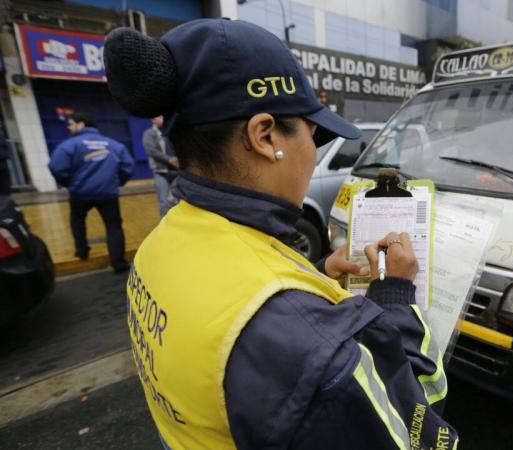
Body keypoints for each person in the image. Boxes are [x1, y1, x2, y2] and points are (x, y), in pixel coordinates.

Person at [104, 19, 458, 450]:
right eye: (313, 134)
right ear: (265, 135)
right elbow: (414, 425)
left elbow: (233, 307)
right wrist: (396, 293)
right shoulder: (305, 342)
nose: (312, 152)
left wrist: (316, 276)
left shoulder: (160, 243)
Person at [47, 112, 134, 273]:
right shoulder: (114, 145)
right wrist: (117, 183)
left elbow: (56, 167)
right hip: (108, 194)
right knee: (114, 226)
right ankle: (119, 264)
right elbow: (128, 167)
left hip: (80, 194)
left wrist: (69, 183)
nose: (69, 127)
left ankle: (82, 251)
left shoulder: (69, 146)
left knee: (77, 220)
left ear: (81, 124)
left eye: (71, 124)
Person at [142, 115, 179, 216]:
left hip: (177, 172)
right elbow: (151, 150)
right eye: (159, 117)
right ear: (153, 120)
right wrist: (169, 159)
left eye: (163, 116)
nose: (162, 119)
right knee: (164, 203)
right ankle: (165, 224)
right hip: (161, 172)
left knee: (178, 202)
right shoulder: (149, 133)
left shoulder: (172, 132)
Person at [0, 121, 12, 196]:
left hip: (3, 164)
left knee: (6, 188)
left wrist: (7, 155)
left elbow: (6, 146)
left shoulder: (1, 133)